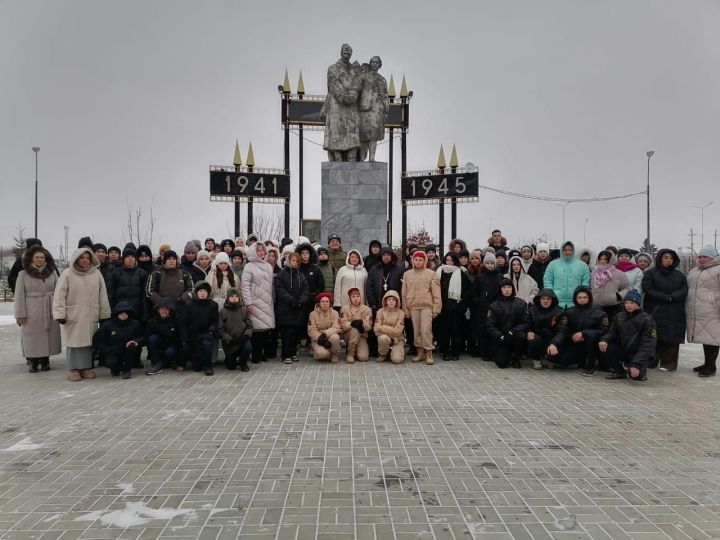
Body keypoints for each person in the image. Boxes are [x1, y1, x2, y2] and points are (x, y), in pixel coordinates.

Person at [53, 247, 112, 382]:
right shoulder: (67, 274)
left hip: (91, 314)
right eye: (81, 258)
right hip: (74, 313)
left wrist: (104, 313)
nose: (84, 260)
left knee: (88, 342)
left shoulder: (96, 274)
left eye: (87, 258)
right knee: (74, 342)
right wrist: (59, 313)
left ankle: (86, 367)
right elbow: (59, 295)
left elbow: (102, 295)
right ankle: (73, 369)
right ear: (76, 259)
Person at [13, 244, 61, 372]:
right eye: (37, 257)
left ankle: (45, 360)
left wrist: (59, 310)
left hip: (49, 308)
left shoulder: (52, 273)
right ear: (31, 259)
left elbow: (59, 292)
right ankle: (33, 361)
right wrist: (20, 313)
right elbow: (19, 295)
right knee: (32, 336)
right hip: (31, 309)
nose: (40, 259)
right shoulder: (23, 274)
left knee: (48, 335)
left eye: (42, 257)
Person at [641, 249, 687, 371]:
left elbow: (684, 290)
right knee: (654, 335)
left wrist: (673, 297)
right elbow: (647, 288)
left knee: (672, 336)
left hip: (674, 310)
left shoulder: (679, 275)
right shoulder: (651, 273)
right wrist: (664, 297)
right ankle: (652, 360)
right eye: (666, 257)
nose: (668, 260)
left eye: (671, 258)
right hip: (655, 308)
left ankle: (669, 363)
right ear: (660, 258)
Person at [548, 286, 608, 375]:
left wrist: (584, 333)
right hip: (575, 343)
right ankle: (579, 362)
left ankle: (590, 366)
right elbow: (563, 330)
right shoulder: (569, 312)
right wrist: (554, 343)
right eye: (579, 297)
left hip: (593, 345)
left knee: (591, 336)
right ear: (575, 298)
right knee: (558, 358)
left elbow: (604, 331)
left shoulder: (599, 312)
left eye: (585, 297)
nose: (582, 300)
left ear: (589, 298)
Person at [600, 290, 656, 381]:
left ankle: (640, 369)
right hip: (624, 351)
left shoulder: (647, 320)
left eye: (632, 303)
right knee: (605, 347)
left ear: (638, 304)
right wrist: (604, 340)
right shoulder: (619, 316)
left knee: (636, 377)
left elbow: (648, 345)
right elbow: (612, 333)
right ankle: (619, 372)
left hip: (639, 354)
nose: (629, 305)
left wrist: (637, 364)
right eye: (626, 302)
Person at [323, 43, 362, 161]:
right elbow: (333, 84)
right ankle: (337, 157)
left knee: (352, 131)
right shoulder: (332, 68)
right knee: (336, 130)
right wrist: (344, 97)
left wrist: (353, 95)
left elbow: (359, 83)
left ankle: (352, 156)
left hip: (352, 106)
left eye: (349, 52)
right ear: (340, 52)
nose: (347, 53)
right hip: (336, 105)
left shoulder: (355, 70)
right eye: (344, 51)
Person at [401, 251, 441, 365]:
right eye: (416, 259)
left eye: (420, 260)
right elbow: (403, 294)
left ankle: (429, 353)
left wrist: (436, 309)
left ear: (425, 261)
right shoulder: (407, 274)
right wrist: (406, 310)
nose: (418, 262)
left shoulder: (431, 274)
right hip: (413, 306)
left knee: (426, 330)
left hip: (426, 306)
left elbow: (436, 293)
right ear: (412, 260)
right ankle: (420, 353)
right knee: (417, 330)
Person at [685, 245, 720, 377]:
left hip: (713, 310)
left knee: (713, 339)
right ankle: (707, 364)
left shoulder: (718, 270)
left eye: (705, 256)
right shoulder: (694, 271)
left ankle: (711, 366)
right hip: (698, 311)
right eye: (700, 256)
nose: (701, 259)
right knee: (706, 338)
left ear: (712, 257)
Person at [241, 242, 276, 363]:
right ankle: (255, 355)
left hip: (267, 301)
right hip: (254, 301)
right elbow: (245, 287)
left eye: (263, 251)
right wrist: (248, 303)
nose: (261, 253)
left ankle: (262, 354)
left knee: (266, 329)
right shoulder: (249, 266)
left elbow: (271, 286)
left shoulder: (268, 266)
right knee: (256, 330)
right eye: (258, 250)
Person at [92, 302, 143, 379]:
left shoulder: (135, 323)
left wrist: (135, 341)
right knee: (110, 362)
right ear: (117, 314)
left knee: (131, 348)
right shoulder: (107, 325)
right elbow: (98, 340)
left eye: (125, 314)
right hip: (113, 350)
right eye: (121, 314)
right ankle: (115, 369)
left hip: (128, 349)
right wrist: (106, 349)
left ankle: (127, 370)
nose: (123, 316)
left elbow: (142, 336)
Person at [274, 253, 309, 364]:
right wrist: (291, 300)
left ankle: (293, 352)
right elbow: (279, 290)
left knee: (296, 332)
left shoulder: (301, 275)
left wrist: (301, 300)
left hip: (298, 308)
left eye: (297, 261)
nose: (295, 263)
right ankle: (286, 355)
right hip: (285, 308)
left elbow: (305, 289)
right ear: (288, 261)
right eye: (293, 260)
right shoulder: (281, 274)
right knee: (287, 333)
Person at [486, 279, 529, 369]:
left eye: (509, 287)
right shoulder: (493, 306)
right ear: (500, 290)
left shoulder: (521, 304)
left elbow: (525, 322)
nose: (507, 290)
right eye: (504, 287)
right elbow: (490, 325)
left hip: (515, 335)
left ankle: (516, 358)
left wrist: (513, 331)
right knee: (501, 364)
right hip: (502, 338)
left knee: (521, 336)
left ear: (512, 289)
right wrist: (500, 335)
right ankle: (506, 354)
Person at [436, 252, 470, 361]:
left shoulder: (461, 272)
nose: (449, 262)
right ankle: (445, 352)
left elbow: (466, 291)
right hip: (443, 306)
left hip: (457, 307)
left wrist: (462, 306)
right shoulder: (439, 272)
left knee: (456, 330)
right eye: (447, 260)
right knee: (444, 331)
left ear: (455, 261)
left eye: (451, 260)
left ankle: (455, 352)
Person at [469, 252, 503, 359]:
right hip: (483, 308)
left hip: (496, 308)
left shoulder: (500, 277)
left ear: (495, 264)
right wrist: (479, 301)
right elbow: (474, 292)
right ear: (484, 264)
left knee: (494, 329)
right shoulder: (480, 277)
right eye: (487, 263)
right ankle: (484, 353)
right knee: (483, 330)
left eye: (491, 263)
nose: (489, 265)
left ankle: (494, 352)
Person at [359, 55, 389, 162]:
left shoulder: (382, 80)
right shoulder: (364, 77)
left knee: (374, 135)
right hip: (365, 109)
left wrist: (385, 108)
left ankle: (372, 157)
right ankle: (362, 157)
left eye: (377, 62)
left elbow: (385, 95)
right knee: (363, 135)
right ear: (370, 63)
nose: (375, 64)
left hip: (377, 110)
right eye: (373, 62)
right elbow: (358, 91)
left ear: (380, 65)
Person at [185, 281, 219, 375]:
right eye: (200, 291)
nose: (203, 293)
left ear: (208, 293)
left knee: (207, 344)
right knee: (197, 368)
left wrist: (211, 331)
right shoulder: (189, 305)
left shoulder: (213, 305)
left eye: (205, 291)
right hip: (193, 334)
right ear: (196, 293)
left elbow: (215, 321)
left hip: (207, 333)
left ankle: (208, 366)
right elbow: (186, 322)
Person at [543, 241, 591, 308]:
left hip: (576, 303)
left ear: (573, 251)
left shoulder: (582, 266)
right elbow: (547, 280)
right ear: (561, 251)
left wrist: (581, 296)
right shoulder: (553, 264)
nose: (567, 252)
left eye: (570, 250)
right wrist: (551, 295)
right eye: (565, 250)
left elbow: (586, 282)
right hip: (556, 303)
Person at [107, 246, 148, 322]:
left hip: (137, 312)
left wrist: (145, 314)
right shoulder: (116, 273)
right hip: (120, 312)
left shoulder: (142, 273)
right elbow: (110, 295)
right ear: (123, 259)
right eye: (127, 257)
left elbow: (144, 297)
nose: (130, 258)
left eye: (132, 256)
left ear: (135, 259)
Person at [526, 289, 564, 370]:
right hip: (538, 338)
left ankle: (551, 360)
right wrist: (528, 332)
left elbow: (562, 331)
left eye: (548, 299)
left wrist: (554, 343)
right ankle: (536, 359)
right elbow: (527, 324)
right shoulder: (532, 310)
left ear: (552, 300)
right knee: (533, 339)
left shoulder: (560, 311)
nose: (545, 301)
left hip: (552, 339)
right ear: (539, 299)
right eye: (543, 299)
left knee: (561, 351)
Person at [145, 298, 185, 374]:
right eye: (162, 309)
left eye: (167, 309)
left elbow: (182, 339)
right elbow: (148, 339)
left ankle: (171, 362)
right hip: (160, 347)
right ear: (157, 310)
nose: (164, 311)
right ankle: (156, 363)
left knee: (170, 351)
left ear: (170, 310)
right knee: (152, 338)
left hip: (174, 347)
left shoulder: (176, 320)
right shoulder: (152, 321)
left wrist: (181, 362)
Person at [590, 250, 631, 322]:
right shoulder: (593, 273)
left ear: (611, 260)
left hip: (614, 307)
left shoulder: (619, 273)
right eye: (600, 259)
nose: (602, 261)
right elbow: (589, 287)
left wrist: (619, 295)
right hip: (596, 306)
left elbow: (627, 288)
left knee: (613, 328)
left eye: (605, 259)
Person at [218, 288, 253, 372]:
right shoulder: (223, 311)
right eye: (232, 296)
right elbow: (220, 329)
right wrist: (228, 339)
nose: (234, 298)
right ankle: (229, 359)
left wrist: (246, 336)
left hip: (242, 339)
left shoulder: (244, 310)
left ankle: (243, 362)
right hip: (230, 342)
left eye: (236, 296)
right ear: (228, 298)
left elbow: (249, 326)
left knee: (248, 348)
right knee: (231, 367)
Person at [340, 287, 373, 363]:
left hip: (362, 335)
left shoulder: (367, 309)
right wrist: (352, 323)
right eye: (353, 297)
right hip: (349, 334)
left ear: (361, 297)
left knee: (363, 358)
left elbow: (369, 326)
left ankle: (356, 350)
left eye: (358, 296)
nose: (356, 299)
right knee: (355, 329)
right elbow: (343, 326)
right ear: (350, 298)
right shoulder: (345, 309)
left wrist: (361, 323)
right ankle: (350, 354)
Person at [308, 293, 342, 362]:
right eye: (322, 302)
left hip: (330, 336)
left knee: (335, 337)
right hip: (318, 338)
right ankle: (319, 351)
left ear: (330, 303)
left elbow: (336, 327)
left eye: (327, 301)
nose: (325, 303)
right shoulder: (313, 314)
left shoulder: (335, 313)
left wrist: (325, 334)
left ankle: (334, 355)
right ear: (319, 303)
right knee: (321, 354)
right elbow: (312, 331)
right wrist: (320, 339)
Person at [374, 290, 406, 364]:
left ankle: (397, 351)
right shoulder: (380, 312)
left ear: (397, 301)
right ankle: (383, 354)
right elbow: (376, 329)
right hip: (387, 337)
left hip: (398, 338)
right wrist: (391, 336)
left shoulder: (401, 313)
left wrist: (382, 327)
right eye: (389, 299)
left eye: (393, 299)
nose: (391, 301)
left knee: (397, 360)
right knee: (383, 338)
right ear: (385, 301)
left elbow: (398, 331)